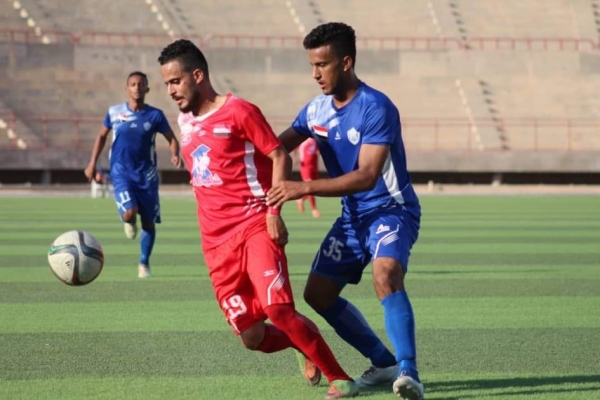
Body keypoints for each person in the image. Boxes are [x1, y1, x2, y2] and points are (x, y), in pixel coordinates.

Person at [157, 39, 359, 399]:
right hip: (215, 244)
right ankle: (301, 346)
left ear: (198, 75)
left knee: (279, 310)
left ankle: (339, 377)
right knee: (252, 337)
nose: (170, 91)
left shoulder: (240, 112)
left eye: (175, 81)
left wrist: (274, 212)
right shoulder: (184, 119)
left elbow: (281, 156)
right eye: (167, 84)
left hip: (254, 225)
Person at [266, 23, 424, 400]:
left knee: (385, 274)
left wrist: (303, 187)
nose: (315, 74)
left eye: (322, 64)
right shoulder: (316, 109)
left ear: (347, 62)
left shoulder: (376, 107)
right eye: (312, 65)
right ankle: (382, 361)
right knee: (317, 294)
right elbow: (276, 146)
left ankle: (408, 372)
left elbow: (368, 176)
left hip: (391, 210)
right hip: (353, 217)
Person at [84, 71, 182, 278]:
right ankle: (128, 221)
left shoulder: (155, 115)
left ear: (147, 88)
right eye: (133, 84)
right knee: (129, 213)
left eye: (141, 84)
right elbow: (102, 137)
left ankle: (144, 263)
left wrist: (175, 154)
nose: (137, 87)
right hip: (121, 173)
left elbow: (172, 138)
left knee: (148, 222)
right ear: (127, 88)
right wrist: (93, 163)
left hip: (147, 176)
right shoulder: (114, 112)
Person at [294, 137, 321, 218]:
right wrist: (295, 158)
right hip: (306, 167)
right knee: (310, 187)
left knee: (316, 187)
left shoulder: (315, 140)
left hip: (314, 166)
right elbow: (295, 148)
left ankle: (301, 199)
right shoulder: (303, 140)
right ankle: (314, 209)